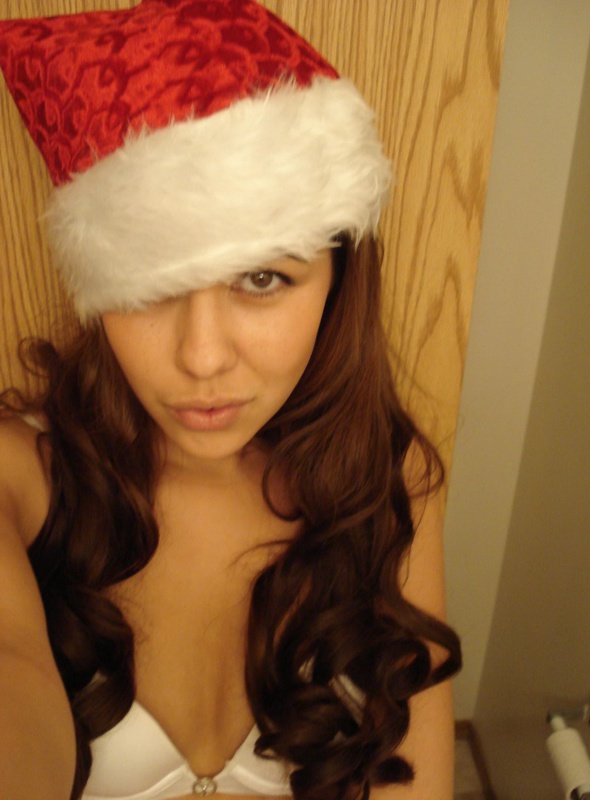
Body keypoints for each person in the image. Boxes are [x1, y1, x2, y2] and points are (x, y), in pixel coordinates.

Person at [0, 2, 461, 799]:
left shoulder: (385, 482)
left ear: (338, 277)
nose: (202, 357)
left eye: (262, 278)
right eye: (151, 285)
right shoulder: (19, 478)